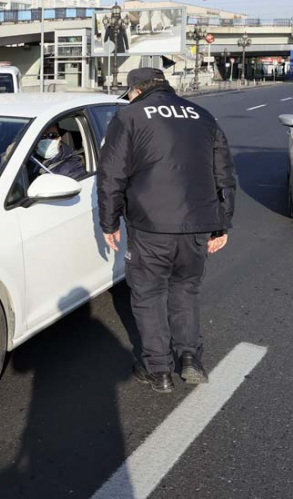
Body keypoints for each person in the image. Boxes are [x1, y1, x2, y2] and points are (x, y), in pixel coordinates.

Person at [98, 67, 236, 394]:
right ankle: (190, 358)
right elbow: (225, 175)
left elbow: (111, 174)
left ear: (134, 90)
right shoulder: (202, 115)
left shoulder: (130, 116)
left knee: (148, 296)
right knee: (185, 290)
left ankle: (158, 370)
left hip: (151, 226)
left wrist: (109, 221)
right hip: (196, 226)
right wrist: (222, 224)